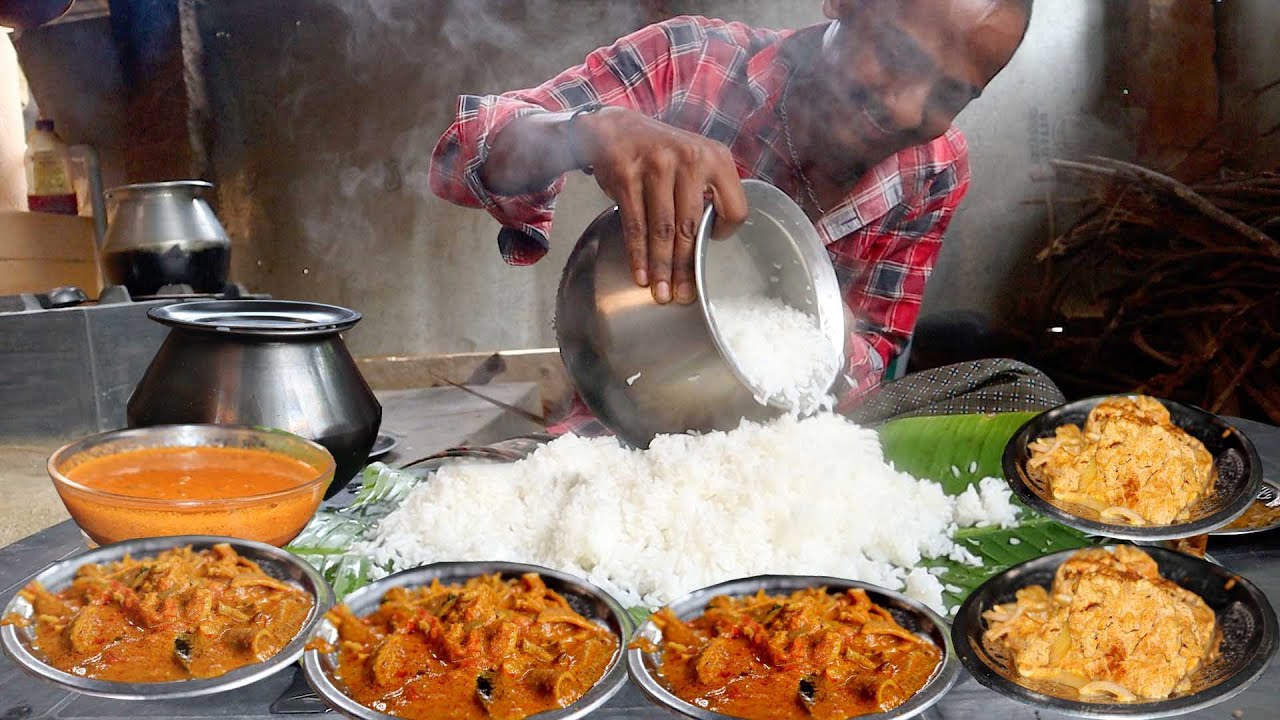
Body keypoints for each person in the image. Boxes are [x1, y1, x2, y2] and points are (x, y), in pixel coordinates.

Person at [430, 0, 1045, 435]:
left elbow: (880, 342)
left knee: (1021, 391)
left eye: (949, 95)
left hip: (784, 453)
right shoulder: (693, 61)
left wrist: (826, 360)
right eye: (894, 53)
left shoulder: (934, 167)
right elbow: (464, 151)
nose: (904, 106)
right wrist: (586, 134)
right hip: (625, 427)